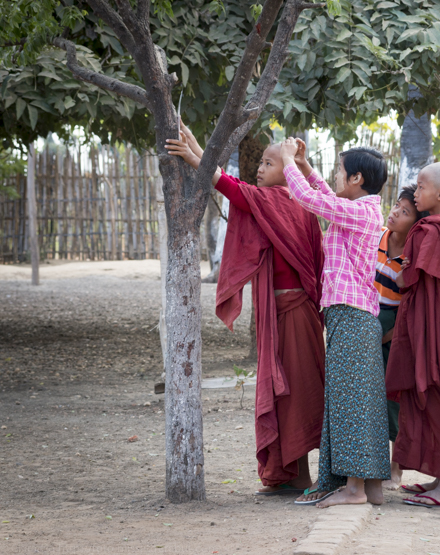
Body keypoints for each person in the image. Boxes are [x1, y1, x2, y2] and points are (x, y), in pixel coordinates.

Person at [164, 123, 325, 496]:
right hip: (288, 314)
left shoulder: (285, 201)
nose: (260, 168)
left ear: (287, 172)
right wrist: (197, 151)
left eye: (269, 163)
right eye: (261, 163)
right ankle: (286, 473)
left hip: (295, 315)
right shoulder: (284, 203)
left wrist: (196, 156)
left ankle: (301, 475)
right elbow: (242, 192)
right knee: (285, 391)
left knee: (294, 394)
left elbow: (234, 190)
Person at [279, 137, 391, 508]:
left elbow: (313, 201)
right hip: (352, 317)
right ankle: (366, 486)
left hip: (352, 316)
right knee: (357, 400)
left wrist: (286, 163)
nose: (335, 178)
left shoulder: (362, 213)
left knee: (351, 402)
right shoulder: (359, 208)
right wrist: (306, 167)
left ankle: (355, 489)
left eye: (341, 172)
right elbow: (327, 196)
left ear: (356, 178)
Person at [386, 162, 440, 508]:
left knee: (434, 400)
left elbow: (410, 281)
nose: (415, 192)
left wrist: (404, 272)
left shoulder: (429, 230)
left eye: (420, 187)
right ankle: (438, 478)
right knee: (433, 401)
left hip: (428, 330)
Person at [374, 184, 426, 490]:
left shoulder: (411, 255)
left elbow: (409, 302)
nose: (395, 213)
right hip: (369, 317)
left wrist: (389, 334)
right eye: (396, 206)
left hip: (394, 327)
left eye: (405, 212)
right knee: (370, 395)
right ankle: (373, 463)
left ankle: (396, 469)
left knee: (394, 398)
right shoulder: (376, 237)